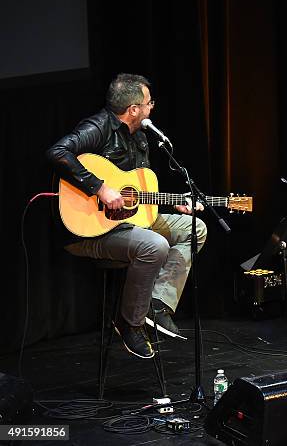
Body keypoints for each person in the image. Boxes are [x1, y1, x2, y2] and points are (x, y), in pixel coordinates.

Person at [46, 73, 207, 359]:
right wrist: (99, 188)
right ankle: (129, 322)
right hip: (90, 231)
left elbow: (136, 199)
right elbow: (58, 152)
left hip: (129, 224)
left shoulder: (141, 139)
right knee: (154, 246)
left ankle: (158, 304)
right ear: (133, 109)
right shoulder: (98, 127)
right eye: (148, 103)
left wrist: (175, 205)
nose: (151, 107)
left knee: (195, 227)